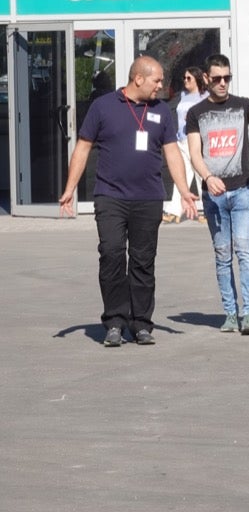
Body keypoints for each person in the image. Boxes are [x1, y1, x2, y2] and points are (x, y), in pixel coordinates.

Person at [59, 56, 198, 348]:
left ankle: (141, 324)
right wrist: (70, 188)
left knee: (143, 262)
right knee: (111, 255)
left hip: (148, 198)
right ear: (138, 79)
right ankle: (114, 322)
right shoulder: (103, 107)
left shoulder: (161, 110)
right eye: (157, 80)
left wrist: (184, 191)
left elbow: (172, 152)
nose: (161, 86)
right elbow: (83, 148)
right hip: (110, 196)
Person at [186, 54, 249, 335]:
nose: (223, 83)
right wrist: (208, 177)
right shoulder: (196, 113)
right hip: (214, 196)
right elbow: (195, 154)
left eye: (227, 78)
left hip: (243, 191)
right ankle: (230, 314)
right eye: (218, 78)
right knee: (223, 254)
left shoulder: (242, 105)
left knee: (244, 249)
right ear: (207, 79)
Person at [163, 66, 207, 223]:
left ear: (197, 79)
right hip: (181, 139)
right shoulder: (182, 95)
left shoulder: (205, 96)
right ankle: (174, 210)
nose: (185, 81)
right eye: (184, 78)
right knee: (181, 175)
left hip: (196, 139)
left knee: (200, 174)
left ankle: (208, 209)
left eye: (189, 78)